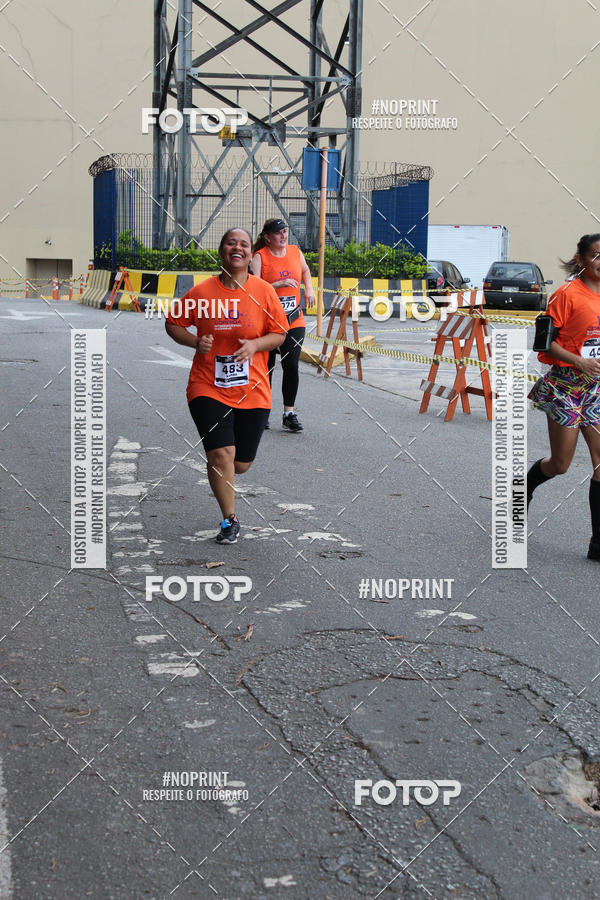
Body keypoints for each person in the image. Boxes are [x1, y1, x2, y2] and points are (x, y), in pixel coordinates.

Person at [165, 228, 287, 544]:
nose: (237, 248)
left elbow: (280, 333)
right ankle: (229, 520)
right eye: (231, 243)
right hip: (207, 385)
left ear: (251, 253)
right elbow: (173, 322)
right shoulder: (203, 292)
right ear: (221, 250)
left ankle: (228, 484)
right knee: (221, 454)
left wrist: (255, 345)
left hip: (253, 388)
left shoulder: (263, 292)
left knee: (240, 463)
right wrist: (195, 341)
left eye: (243, 244)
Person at [527, 233, 600, 560]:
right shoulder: (567, 294)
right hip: (566, 386)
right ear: (582, 259)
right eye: (597, 256)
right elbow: (542, 343)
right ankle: (523, 488)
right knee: (561, 464)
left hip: (596, 388)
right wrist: (578, 361)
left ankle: (598, 543)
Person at [250, 218, 315, 432]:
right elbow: (254, 288)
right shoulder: (260, 257)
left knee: (292, 365)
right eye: (278, 233)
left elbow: (305, 271)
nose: (283, 235)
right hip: (268, 322)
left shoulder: (295, 252)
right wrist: (277, 284)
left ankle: (289, 413)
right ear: (267, 237)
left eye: (285, 231)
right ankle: (262, 410)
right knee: (266, 367)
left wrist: (310, 290)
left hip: (293, 319)